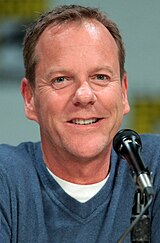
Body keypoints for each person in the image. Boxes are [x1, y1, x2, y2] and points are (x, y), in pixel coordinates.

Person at [0, 4, 160, 242]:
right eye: (61, 79)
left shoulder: (154, 167)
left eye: (100, 77)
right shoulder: (6, 176)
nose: (84, 95)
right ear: (30, 98)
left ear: (123, 93)